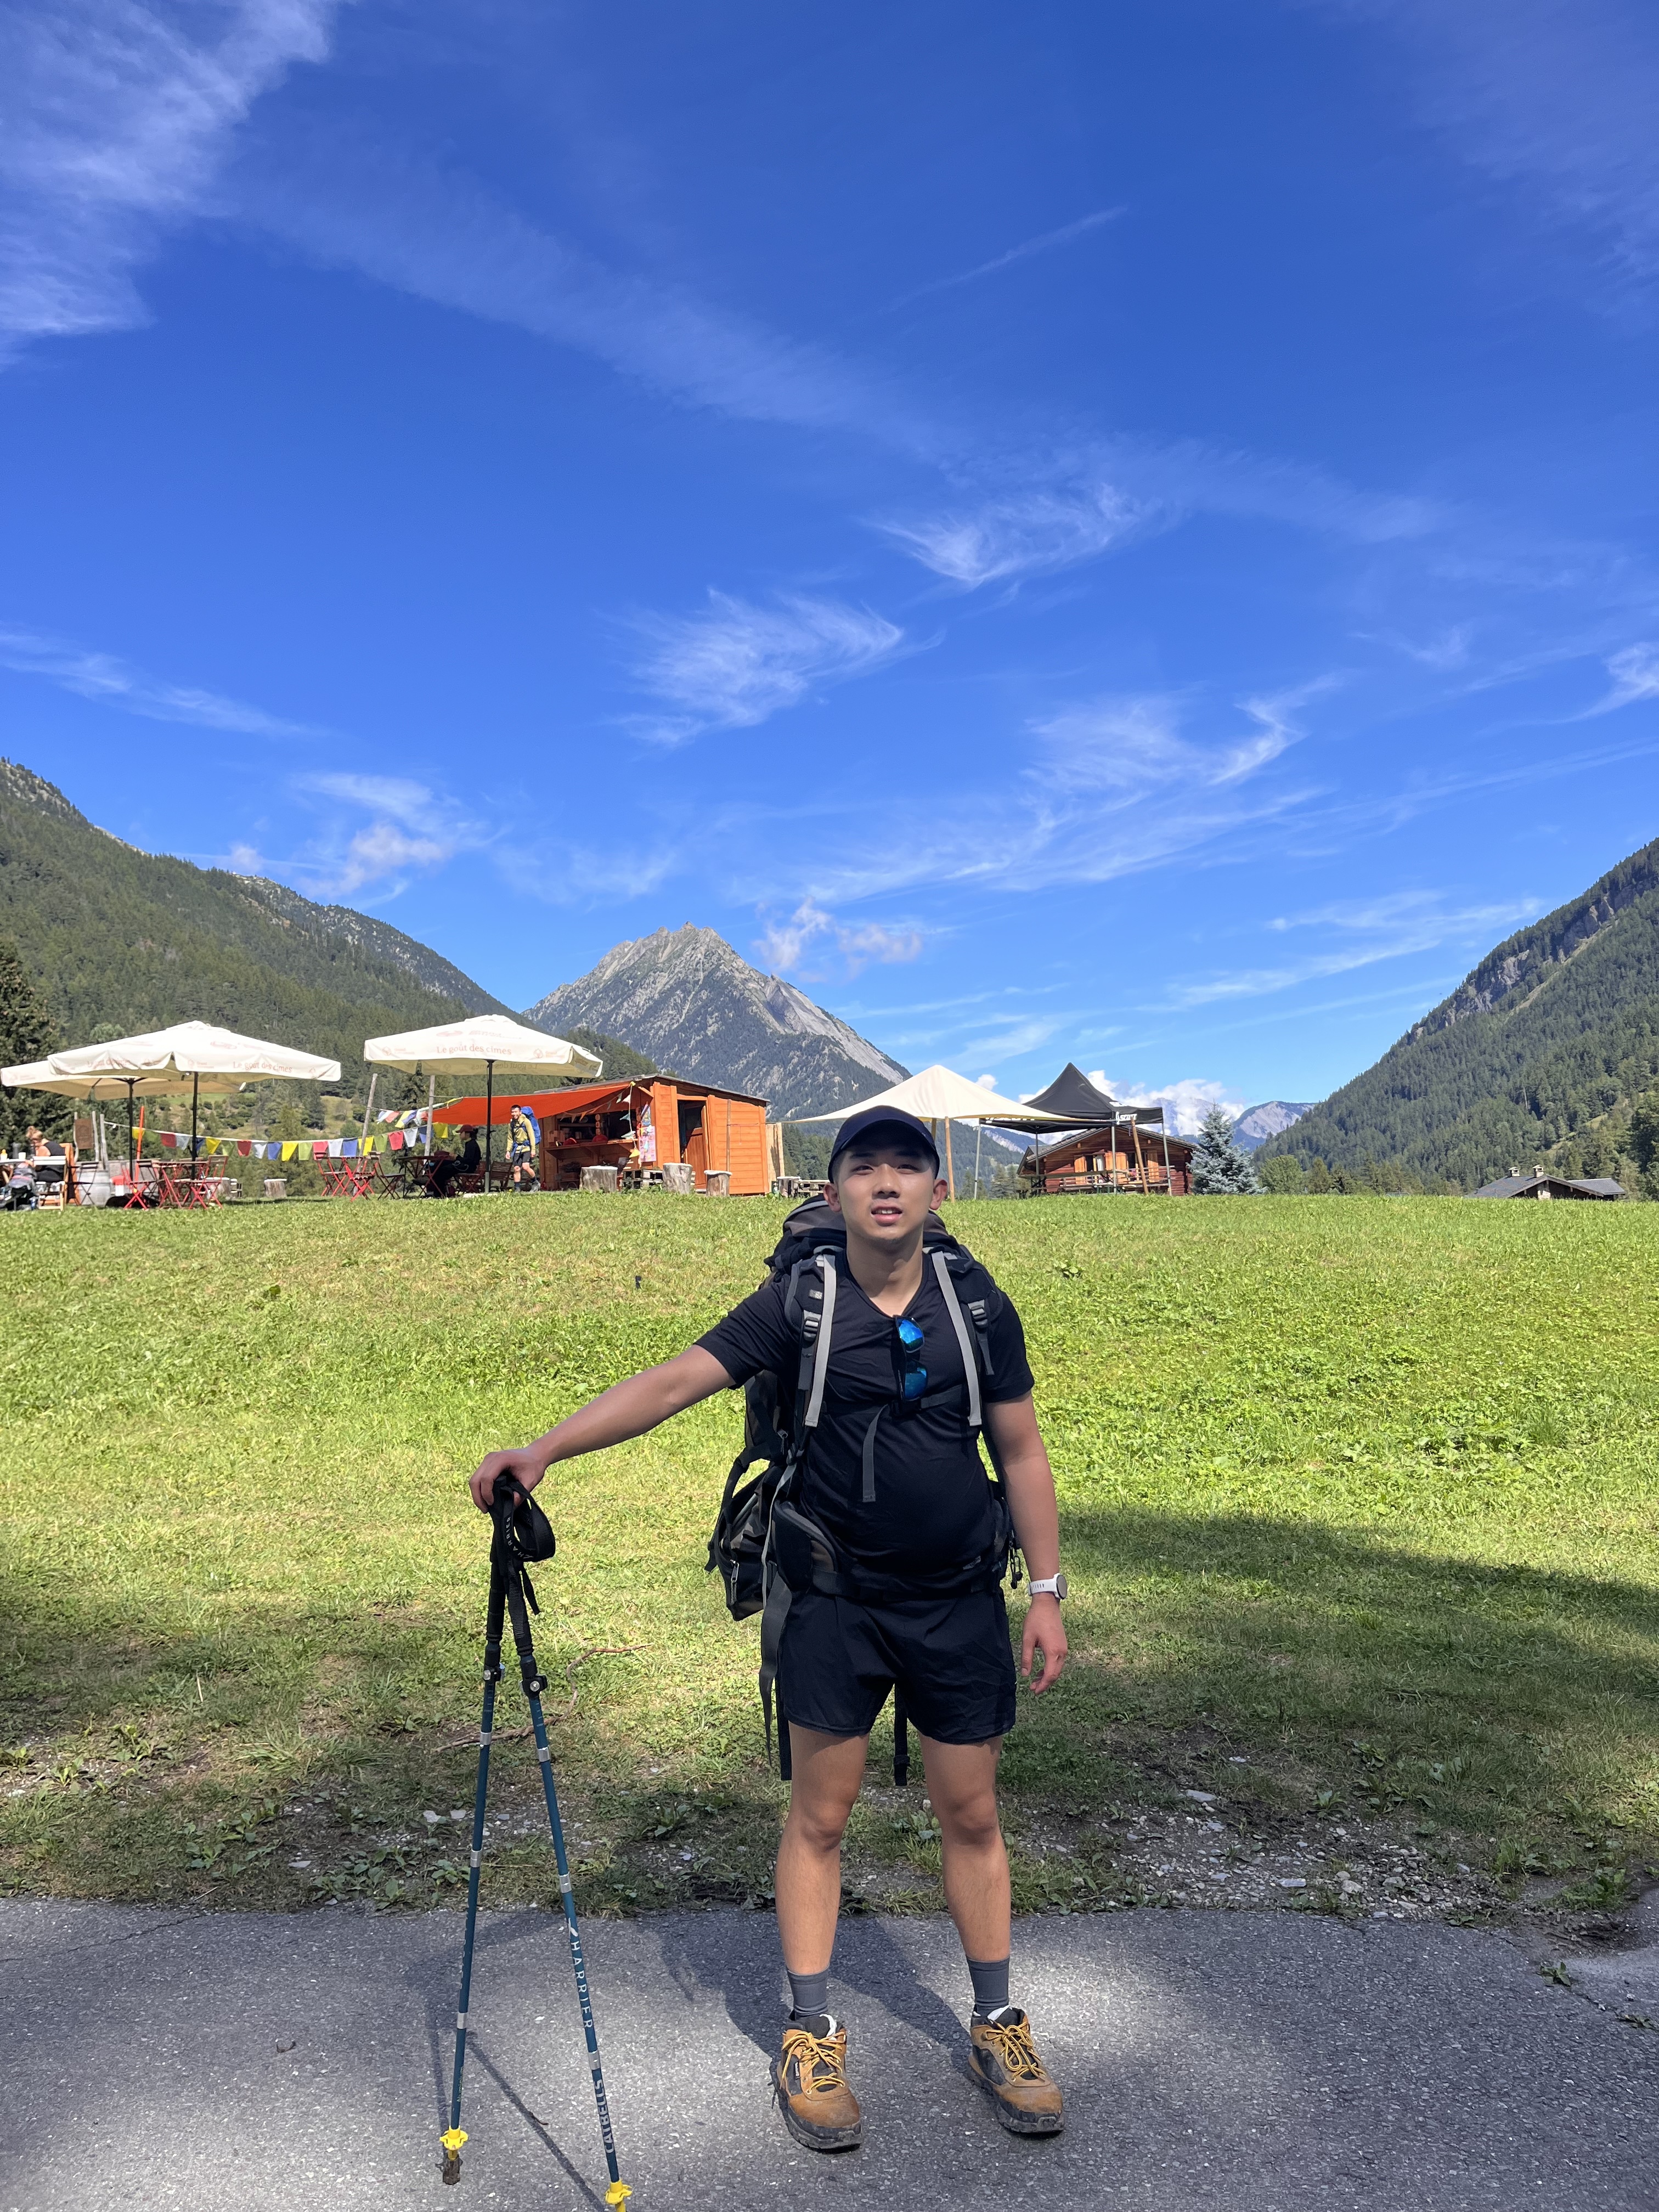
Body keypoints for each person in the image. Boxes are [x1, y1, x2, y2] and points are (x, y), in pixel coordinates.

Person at [470, 1107, 1069, 2150]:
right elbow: (672, 1382)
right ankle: (808, 2030)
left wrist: (1049, 1591)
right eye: (863, 1168)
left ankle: (994, 2019)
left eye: (906, 1168)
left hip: (956, 1596)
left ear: (938, 1192)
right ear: (833, 1191)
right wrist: (544, 1449)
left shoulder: (977, 1304)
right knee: (819, 1815)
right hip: (833, 1595)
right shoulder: (800, 1298)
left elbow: (1018, 1450)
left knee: (970, 1811)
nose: (885, 1183)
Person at [431, 1126, 482, 1197]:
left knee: (441, 1171)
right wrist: (456, 1158)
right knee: (442, 1163)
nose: (460, 1134)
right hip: (466, 1166)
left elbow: (469, 1161)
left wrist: (457, 1157)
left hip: (468, 1168)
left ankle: (437, 1191)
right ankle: (431, 1174)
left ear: (467, 1134)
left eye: (461, 1133)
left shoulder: (472, 1145)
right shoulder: (470, 1143)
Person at [506, 1102, 541, 1193]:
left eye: (516, 1112)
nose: (514, 1114)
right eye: (512, 1112)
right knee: (516, 1168)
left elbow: (532, 1136)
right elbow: (510, 1138)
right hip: (517, 1148)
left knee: (526, 1167)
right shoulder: (511, 1124)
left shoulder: (526, 1122)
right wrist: (508, 1151)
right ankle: (517, 1189)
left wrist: (533, 1150)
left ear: (520, 1112)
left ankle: (535, 1182)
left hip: (527, 1148)